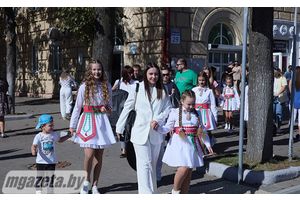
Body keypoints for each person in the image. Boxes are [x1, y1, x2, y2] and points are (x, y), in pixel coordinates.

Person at [116, 62, 171, 194]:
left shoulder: (163, 90)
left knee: (151, 165)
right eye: (151, 74)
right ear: (145, 74)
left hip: (156, 134)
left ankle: (152, 192)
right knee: (144, 164)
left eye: (156, 74)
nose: (154, 77)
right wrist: (119, 127)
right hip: (139, 133)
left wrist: (158, 119)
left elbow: (168, 108)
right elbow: (127, 108)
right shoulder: (137, 88)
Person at [69, 59, 116, 194]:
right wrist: (72, 126)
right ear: (90, 71)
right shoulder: (84, 86)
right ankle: (85, 182)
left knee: (99, 157)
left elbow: (110, 106)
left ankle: (95, 185)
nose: (97, 72)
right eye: (94, 69)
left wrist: (106, 109)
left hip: (101, 122)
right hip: (88, 122)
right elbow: (77, 108)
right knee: (89, 155)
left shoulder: (106, 85)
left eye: (99, 69)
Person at [157, 90, 214, 194]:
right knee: (183, 168)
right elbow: (166, 128)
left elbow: (202, 131)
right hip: (180, 144)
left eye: (193, 104)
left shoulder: (197, 113)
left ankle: (184, 193)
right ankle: (175, 190)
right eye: (189, 104)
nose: (191, 106)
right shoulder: (175, 112)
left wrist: (208, 144)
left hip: (192, 144)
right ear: (182, 101)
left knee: (188, 171)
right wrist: (158, 128)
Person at [31, 114, 72, 194]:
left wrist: (68, 136)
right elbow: (34, 145)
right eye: (50, 125)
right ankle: (38, 191)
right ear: (43, 126)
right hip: (41, 161)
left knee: (50, 178)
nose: (52, 127)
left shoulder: (54, 134)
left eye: (53, 125)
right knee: (40, 177)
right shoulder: (39, 136)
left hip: (51, 161)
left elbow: (59, 140)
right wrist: (33, 150)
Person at [156, 66, 180, 181]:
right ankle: (155, 172)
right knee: (157, 147)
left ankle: (159, 172)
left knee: (166, 145)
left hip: (170, 119)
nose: (165, 76)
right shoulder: (157, 86)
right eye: (163, 74)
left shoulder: (173, 85)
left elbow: (177, 103)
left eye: (167, 74)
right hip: (159, 119)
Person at [112, 65, 137, 158]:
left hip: (131, 110)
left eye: (132, 73)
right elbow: (112, 92)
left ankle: (131, 148)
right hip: (120, 109)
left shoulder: (135, 83)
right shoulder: (119, 82)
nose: (131, 75)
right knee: (122, 129)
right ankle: (123, 150)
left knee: (129, 128)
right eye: (129, 73)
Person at [192, 71, 218, 145]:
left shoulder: (209, 91)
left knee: (206, 130)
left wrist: (215, 117)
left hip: (206, 114)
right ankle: (200, 146)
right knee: (197, 130)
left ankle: (209, 146)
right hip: (196, 112)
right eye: (199, 80)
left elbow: (213, 105)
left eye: (203, 80)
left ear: (206, 80)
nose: (201, 82)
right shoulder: (194, 90)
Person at [273, 67, 288, 133]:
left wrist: (278, 93)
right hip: (273, 98)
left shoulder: (283, 78)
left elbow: (284, 87)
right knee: (273, 113)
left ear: (279, 71)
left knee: (278, 113)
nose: (275, 72)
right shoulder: (272, 78)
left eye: (276, 71)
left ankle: (278, 127)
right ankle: (273, 128)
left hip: (280, 98)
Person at [289, 66, 300, 141]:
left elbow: (289, 86)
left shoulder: (293, 79)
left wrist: (291, 93)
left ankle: (291, 136)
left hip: (293, 101)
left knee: (292, 119)